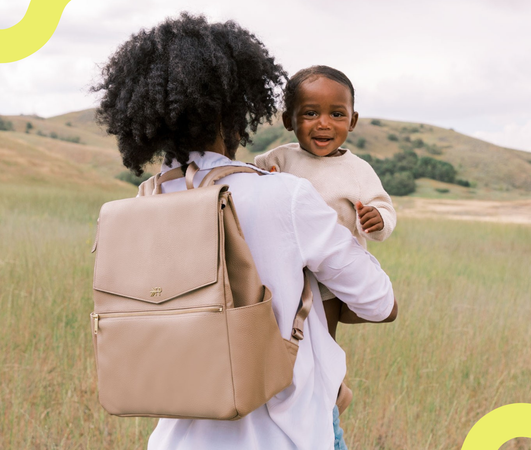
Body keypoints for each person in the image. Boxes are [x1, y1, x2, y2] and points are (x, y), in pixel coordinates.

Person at [92, 13, 397, 450]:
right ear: (239, 110)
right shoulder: (284, 195)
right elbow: (380, 303)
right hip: (283, 436)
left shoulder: (140, 204)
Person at [253, 65, 398, 417]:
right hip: (284, 275)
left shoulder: (358, 170)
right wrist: (265, 181)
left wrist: (377, 220)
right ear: (288, 120)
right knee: (280, 342)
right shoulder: (278, 159)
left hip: (332, 279)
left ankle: (332, 392)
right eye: (310, 113)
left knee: (322, 345)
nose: (323, 124)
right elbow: (250, 187)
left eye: (336, 114)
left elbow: (384, 207)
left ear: (353, 120)